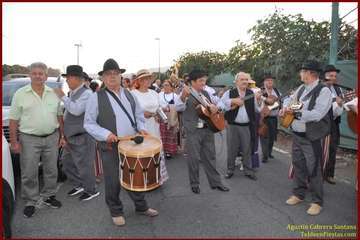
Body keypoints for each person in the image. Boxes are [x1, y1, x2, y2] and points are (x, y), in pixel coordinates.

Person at [84, 59, 158, 226]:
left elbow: (138, 115)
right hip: (110, 145)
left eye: (115, 74)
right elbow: (88, 123)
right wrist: (106, 134)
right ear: (102, 78)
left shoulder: (129, 94)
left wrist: (141, 127)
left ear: (120, 75)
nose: (112, 77)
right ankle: (116, 211)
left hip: (131, 144)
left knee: (135, 176)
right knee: (112, 180)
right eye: (108, 74)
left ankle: (141, 207)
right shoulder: (96, 98)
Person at [9, 62, 64, 218]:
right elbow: (13, 120)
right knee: (29, 171)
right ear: (30, 75)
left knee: (51, 169)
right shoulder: (20, 94)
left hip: (52, 137)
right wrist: (14, 142)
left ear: (46, 76)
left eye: (41, 73)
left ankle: (49, 196)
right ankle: (30, 200)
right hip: (28, 139)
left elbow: (59, 115)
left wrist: (62, 136)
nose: (38, 76)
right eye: (35, 73)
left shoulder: (54, 93)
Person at [280, 60, 332, 216]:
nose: (300, 74)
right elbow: (290, 100)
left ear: (310, 73)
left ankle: (317, 201)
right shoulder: (302, 88)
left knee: (314, 168)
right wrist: (285, 107)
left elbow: (317, 114)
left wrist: (295, 112)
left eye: (302, 71)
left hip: (312, 137)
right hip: (297, 134)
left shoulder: (324, 91)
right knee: (298, 165)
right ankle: (299, 194)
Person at [175, 69, 229, 194]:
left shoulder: (206, 92)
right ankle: (194, 184)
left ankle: (216, 182)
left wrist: (216, 108)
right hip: (193, 131)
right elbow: (179, 107)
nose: (203, 83)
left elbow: (220, 103)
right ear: (192, 82)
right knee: (193, 159)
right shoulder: (185, 92)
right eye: (200, 81)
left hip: (208, 129)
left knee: (210, 157)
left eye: (204, 80)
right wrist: (183, 96)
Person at [54, 65, 99, 201]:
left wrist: (62, 96)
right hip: (72, 136)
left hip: (82, 136)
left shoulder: (87, 93)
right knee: (67, 162)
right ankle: (80, 184)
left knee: (84, 166)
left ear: (75, 78)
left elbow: (76, 110)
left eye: (68, 78)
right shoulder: (74, 92)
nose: (67, 81)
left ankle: (91, 190)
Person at [220, 72, 262, 181]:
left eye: (246, 79)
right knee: (232, 149)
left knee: (247, 148)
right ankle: (230, 170)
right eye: (242, 79)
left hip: (247, 126)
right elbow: (220, 105)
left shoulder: (251, 93)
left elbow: (257, 109)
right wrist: (233, 101)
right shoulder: (229, 93)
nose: (244, 81)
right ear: (236, 82)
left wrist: (258, 100)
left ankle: (248, 171)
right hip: (233, 126)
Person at [131, 69, 169, 184]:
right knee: (143, 152)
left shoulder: (154, 93)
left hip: (154, 126)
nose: (148, 80)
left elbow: (161, 107)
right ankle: (143, 180)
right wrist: (142, 114)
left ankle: (155, 178)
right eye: (145, 78)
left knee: (155, 151)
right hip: (141, 128)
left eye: (149, 78)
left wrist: (160, 114)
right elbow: (130, 112)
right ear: (139, 81)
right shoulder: (133, 94)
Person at [322, 65, 343, 185]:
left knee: (333, 148)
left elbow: (338, 110)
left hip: (334, 123)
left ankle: (329, 174)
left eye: (335, 76)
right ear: (325, 76)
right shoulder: (321, 88)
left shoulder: (338, 90)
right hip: (322, 122)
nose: (333, 78)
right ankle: (319, 173)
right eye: (331, 75)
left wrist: (339, 104)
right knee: (321, 148)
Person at [260, 74, 282, 163]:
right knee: (264, 136)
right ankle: (264, 155)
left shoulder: (277, 92)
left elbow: (279, 103)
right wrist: (265, 100)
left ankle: (269, 152)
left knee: (272, 136)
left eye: (271, 80)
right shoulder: (260, 92)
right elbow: (257, 102)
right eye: (268, 80)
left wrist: (275, 105)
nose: (270, 82)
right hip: (264, 118)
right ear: (264, 82)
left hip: (273, 117)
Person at [158, 79, 179, 159]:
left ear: (171, 87)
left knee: (170, 135)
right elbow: (156, 104)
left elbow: (178, 107)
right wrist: (162, 109)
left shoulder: (175, 96)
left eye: (167, 85)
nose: (165, 87)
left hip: (171, 117)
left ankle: (169, 151)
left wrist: (169, 108)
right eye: (164, 85)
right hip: (161, 116)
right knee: (162, 135)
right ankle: (161, 151)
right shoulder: (160, 94)